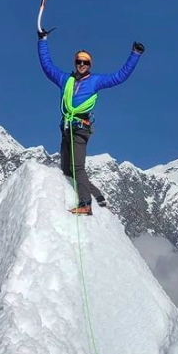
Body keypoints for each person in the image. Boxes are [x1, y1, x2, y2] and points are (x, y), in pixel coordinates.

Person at [37, 27, 145, 215]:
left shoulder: (95, 81)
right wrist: (42, 41)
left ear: (90, 65)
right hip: (66, 127)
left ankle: (86, 204)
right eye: (79, 61)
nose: (81, 64)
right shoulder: (65, 79)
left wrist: (135, 54)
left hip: (80, 128)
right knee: (67, 170)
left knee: (77, 167)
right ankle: (96, 194)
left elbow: (120, 76)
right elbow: (47, 66)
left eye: (85, 62)